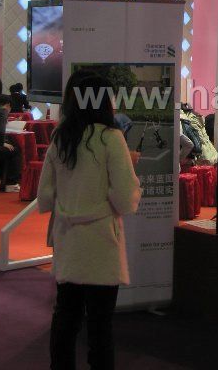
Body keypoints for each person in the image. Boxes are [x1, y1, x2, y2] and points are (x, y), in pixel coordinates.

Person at [38, 74, 141, 370]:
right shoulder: (110, 138)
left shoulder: (61, 136)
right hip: (101, 241)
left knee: (65, 317)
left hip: (68, 238)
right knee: (100, 326)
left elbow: (45, 195)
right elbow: (125, 198)